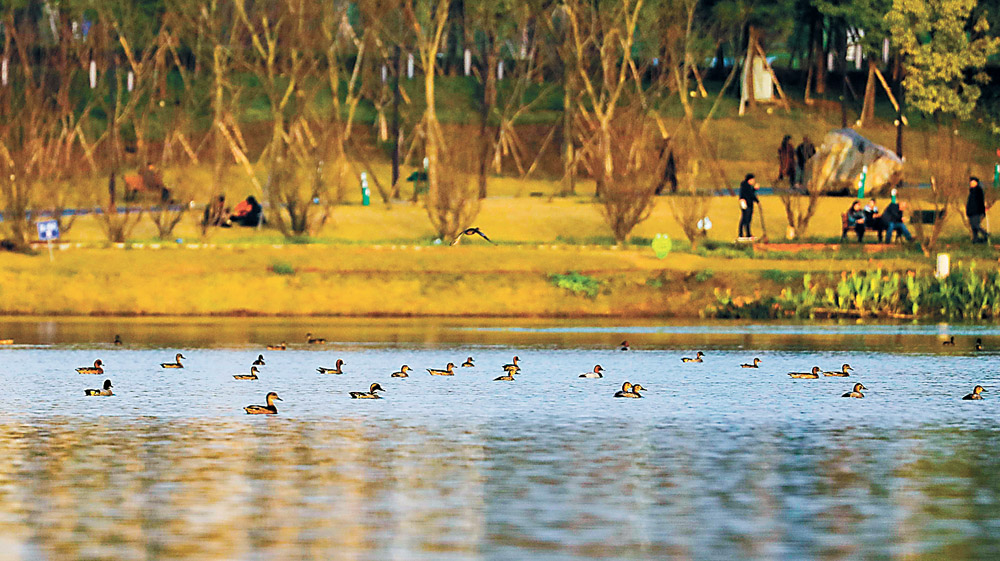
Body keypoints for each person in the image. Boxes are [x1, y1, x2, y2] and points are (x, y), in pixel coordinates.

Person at [966, 176, 989, 244]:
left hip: (976, 211)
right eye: (971, 182)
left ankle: (985, 233)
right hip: (971, 212)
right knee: (973, 227)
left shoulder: (978, 191)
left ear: (976, 183)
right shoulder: (971, 191)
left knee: (976, 225)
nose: (971, 184)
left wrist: (982, 211)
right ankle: (975, 239)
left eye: (973, 182)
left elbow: (981, 202)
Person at [738, 173, 758, 238]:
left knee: (746, 219)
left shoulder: (746, 186)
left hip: (747, 204)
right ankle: (744, 234)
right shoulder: (746, 186)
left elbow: (750, 193)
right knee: (746, 219)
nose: (753, 181)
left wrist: (754, 189)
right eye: (753, 180)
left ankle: (745, 234)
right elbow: (750, 194)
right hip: (746, 204)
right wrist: (757, 200)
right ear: (749, 180)